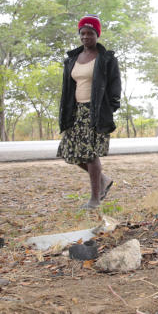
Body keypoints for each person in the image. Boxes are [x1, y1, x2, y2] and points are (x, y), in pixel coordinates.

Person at [58, 15, 121, 209]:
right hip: (75, 111)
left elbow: (115, 86)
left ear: (97, 34)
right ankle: (103, 179)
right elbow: (67, 87)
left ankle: (94, 198)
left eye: (90, 33)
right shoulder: (72, 59)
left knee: (90, 154)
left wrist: (110, 107)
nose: (86, 37)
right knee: (68, 151)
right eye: (82, 33)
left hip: (95, 111)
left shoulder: (107, 59)